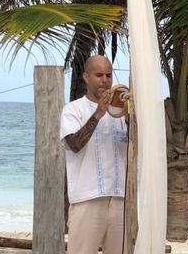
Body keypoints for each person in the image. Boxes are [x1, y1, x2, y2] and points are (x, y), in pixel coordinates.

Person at [60, 55, 128, 254]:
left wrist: (133, 120)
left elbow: (136, 147)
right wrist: (98, 113)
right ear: (86, 77)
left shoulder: (122, 113)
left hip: (120, 198)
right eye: (99, 75)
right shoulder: (73, 109)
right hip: (87, 199)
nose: (105, 80)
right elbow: (73, 144)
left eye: (108, 75)